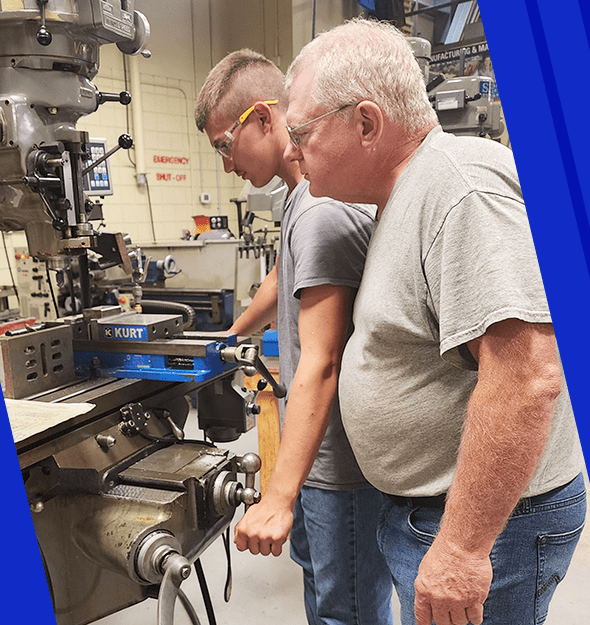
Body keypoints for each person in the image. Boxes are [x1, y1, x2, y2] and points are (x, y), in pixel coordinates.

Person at [282, 19, 586, 625]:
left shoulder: (459, 188)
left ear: (366, 123)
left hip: (490, 524)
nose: (291, 151)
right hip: (437, 509)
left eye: (301, 133)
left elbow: (527, 377)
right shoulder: (404, 194)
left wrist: (462, 550)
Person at [195, 49, 393, 625]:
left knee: (344, 613)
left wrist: (278, 494)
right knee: (327, 599)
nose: (225, 163)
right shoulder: (300, 197)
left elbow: (322, 362)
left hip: (340, 461)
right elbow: (287, 272)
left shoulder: (320, 209)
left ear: (263, 117)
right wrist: (228, 334)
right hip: (319, 453)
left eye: (224, 144)